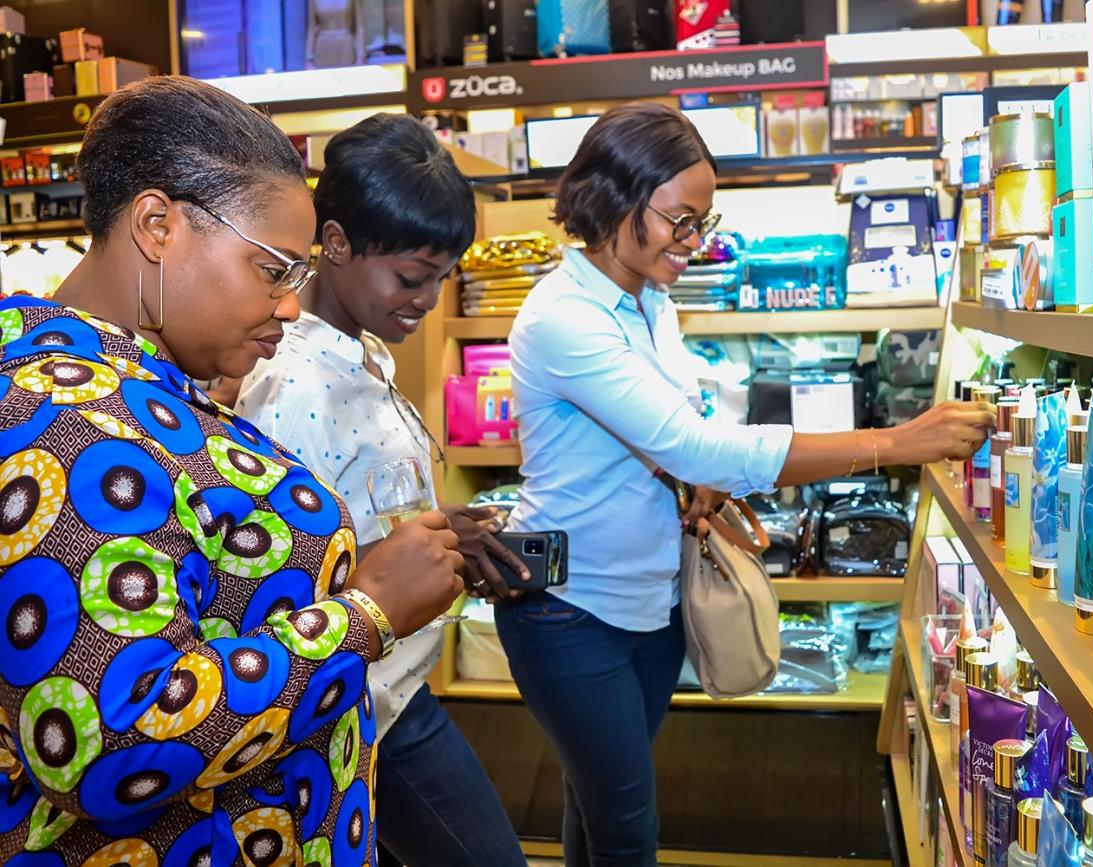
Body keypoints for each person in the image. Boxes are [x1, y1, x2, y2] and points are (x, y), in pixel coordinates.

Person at [499, 102, 997, 867]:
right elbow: (695, 442)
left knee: (594, 803)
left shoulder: (650, 302)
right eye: (681, 221)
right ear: (613, 200)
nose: (695, 243)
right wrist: (893, 443)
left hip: (650, 599)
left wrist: (693, 473)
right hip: (569, 609)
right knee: (626, 826)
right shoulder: (563, 317)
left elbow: (680, 420)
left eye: (703, 222)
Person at [0, 76, 464, 864]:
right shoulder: (68, 418)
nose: (289, 305)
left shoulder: (141, 383)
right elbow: (110, 738)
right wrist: (365, 613)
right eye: (271, 270)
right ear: (158, 226)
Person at [235, 113, 528, 867]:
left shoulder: (361, 350)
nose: (428, 298)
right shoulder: (292, 383)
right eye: (411, 277)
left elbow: (351, 513)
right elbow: (271, 581)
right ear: (335, 243)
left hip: (393, 684)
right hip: (359, 701)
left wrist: (445, 538)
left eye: (442, 278)